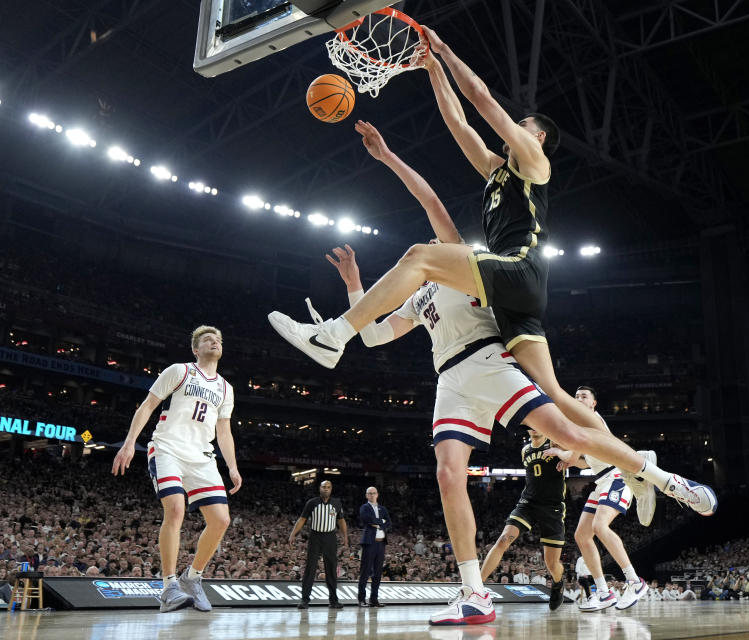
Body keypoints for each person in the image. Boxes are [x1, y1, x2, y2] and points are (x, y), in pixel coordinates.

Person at [267, 32, 709, 523]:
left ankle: (333, 335)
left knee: (418, 255)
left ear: (537, 137)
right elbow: (458, 121)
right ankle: (641, 469)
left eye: (522, 124)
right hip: (511, 299)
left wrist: (448, 51)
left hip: (519, 269)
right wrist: (431, 69)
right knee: (557, 395)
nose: (513, 127)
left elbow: (479, 99)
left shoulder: (534, 165)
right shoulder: (496, 172)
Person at [308, 122, 713, 625]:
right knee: (448, 475)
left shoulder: (462, 259)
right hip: (450, 380)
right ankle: (474, 593)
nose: (431, 240)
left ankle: (660, 475)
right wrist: (355, 285)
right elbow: (373, 336)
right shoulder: (416, 297)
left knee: (567, 430)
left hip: (487, 357)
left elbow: (430, 199)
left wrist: (388, 156)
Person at [112, 325, 241, 613]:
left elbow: (224, 431)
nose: (214, 342)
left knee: (221, 520)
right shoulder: (179, 371)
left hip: (202, 456)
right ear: (196, 349)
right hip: (168, 446)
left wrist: (232, 466)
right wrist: (130, 442)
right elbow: (147, 406)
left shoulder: (225, 387)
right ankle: (168, 585)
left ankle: (193, 577)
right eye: (208, 340)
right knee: (175, 509)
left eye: (218, 340)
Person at [548, 387, 648, 612]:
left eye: (584, 397)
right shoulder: (579, 427)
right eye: (576, 397)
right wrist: (567, 457)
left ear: (594, 404)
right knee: (582, 535)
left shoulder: (592, 419)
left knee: (600, 526)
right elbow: (582, 461)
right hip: (602, 480)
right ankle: (603, 592)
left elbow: (572, 455)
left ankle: (635, 582)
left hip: (617, 476)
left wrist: (560, 453)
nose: (578, 400)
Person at [480, 428, 566, 611]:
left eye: (538, 424)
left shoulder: (555, 443)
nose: (535, 427)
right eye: (531, 424)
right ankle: (476, 588)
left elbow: (578, 458)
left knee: (551, 563)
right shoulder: (525, 449)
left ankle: (558, 582)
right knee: (503, 540)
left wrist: (565, 456)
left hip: (552, 507)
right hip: (527, 503)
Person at [289, 480, 348, 610]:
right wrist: (293, 534)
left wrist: (345, 537)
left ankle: (334, 600)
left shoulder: (336, 503)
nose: (326, 489)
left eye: (328, 487)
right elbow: (302, 519)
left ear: (331, 489)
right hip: (315, 536)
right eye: (323, 487)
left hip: (330, 537)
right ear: (319, 488)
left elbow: (341, 521)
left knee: (331, 569)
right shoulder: (312, 503)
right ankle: (305, 600)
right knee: (310, 568)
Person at [358, 486, 390, 607]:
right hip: (369, 542)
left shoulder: (382, 508)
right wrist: (382, 522)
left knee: (377, 572)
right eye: (369, 493)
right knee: (365, 572)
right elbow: (367, 519)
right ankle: (361, 599)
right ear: (366, 495)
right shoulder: (364, 507)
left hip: (381, 543)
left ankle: (374, 599)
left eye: (374, 493)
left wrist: (377, 523)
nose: (372, 495)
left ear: (377, 494)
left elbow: (389, 522)